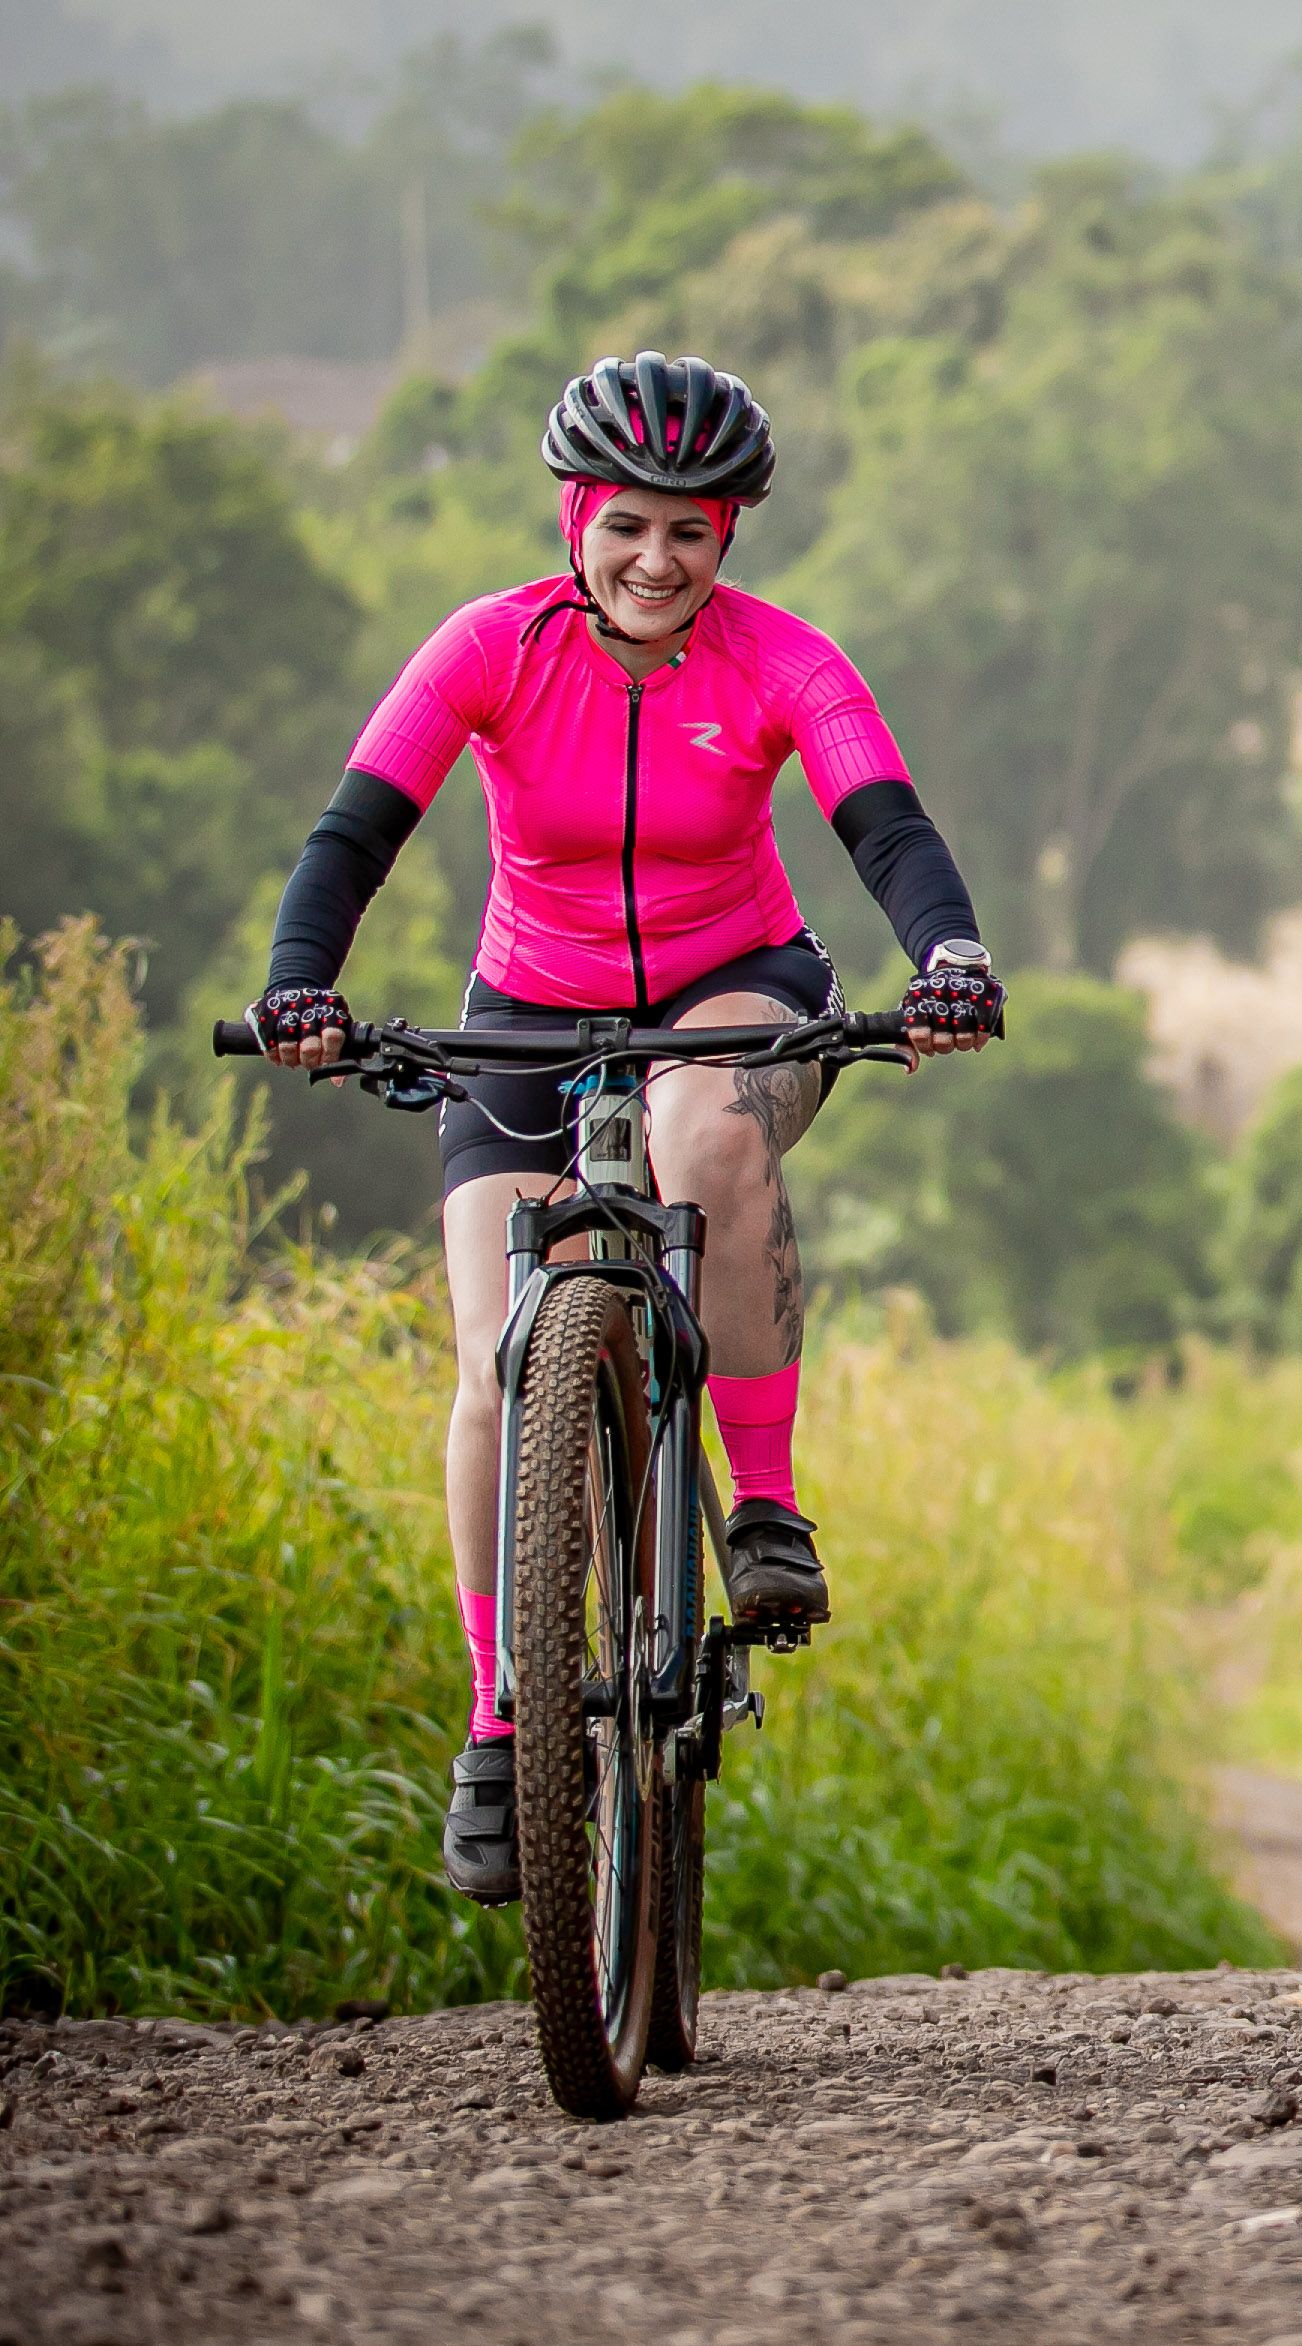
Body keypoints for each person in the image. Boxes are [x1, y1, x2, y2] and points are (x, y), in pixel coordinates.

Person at [244, 352, 1005, 1905]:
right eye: (628, 527)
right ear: (577, 520)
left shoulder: (785, 662)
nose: (657, 561)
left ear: (729, 539)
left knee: (702, 1131)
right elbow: (352, 833)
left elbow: (888, 827)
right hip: (527, 1011)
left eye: (692, 533)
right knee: (490, 1363)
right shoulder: (489, 647)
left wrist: (950, 955)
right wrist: (298, 984)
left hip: (740, 982)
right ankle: (499, 1717)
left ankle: (765, 1502)